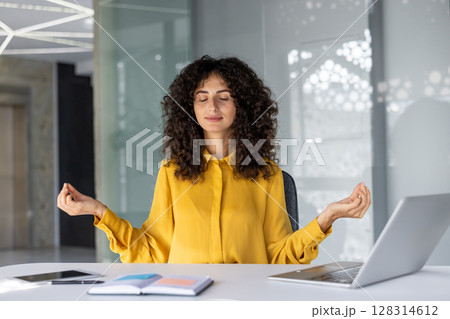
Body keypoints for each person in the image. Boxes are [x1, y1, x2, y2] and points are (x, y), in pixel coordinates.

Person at [57, 55, 371, 264]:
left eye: (224, 97)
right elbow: (152, 252)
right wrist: (98, 211)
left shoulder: (267, 175)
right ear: (189, 108)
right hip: (187, 300)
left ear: (243, 107)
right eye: (202, 98)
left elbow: (279, 256)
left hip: (249, 301)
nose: (212, 107)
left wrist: (327, 216)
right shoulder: (172, 173)